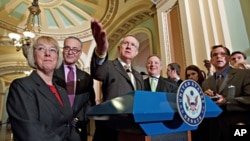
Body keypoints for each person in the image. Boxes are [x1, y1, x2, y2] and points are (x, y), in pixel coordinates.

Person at [6, 36, 74, 141]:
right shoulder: (21, 86)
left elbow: (69, 126)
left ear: (57, 57)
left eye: (52, 50)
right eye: (41, 48)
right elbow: (31, 132)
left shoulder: (62, 90)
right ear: (33, 56)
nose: (48, 53)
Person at [90, 19, 145, 141]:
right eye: (126, 43)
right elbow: (97, 72)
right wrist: (101, 51)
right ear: (120, 48)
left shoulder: (139, 76)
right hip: (112, 129)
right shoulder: (109, 66)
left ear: (136, 52)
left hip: (134, 130)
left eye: (133, 45)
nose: (129, 46)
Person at [202, 44, 250, 141]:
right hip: (215, 130)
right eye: (215, 55)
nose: (218, 56)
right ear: (211, 60)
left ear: (228, 58)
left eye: (222, 54)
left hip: (239, 124)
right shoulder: (206, 82)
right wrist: (205, 99)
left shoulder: (244, 74)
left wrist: (226, 101)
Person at [53, 36, 96, 141]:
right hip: (54, 129)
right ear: (63, 51)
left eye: (74, 49)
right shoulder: (51, 73)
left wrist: (79, 119)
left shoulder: (86, 77)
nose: (70, 52)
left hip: (78, 130)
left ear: (80, 53)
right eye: (67, 48)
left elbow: (90, 103)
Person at [144, 55, 188, 141]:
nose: (153, 65)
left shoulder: (171, 84)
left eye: (156, 63)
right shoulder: (140, 84)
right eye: (150, 63)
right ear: (146, 67)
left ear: (160, 67)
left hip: (167, 126)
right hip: (147, 125)